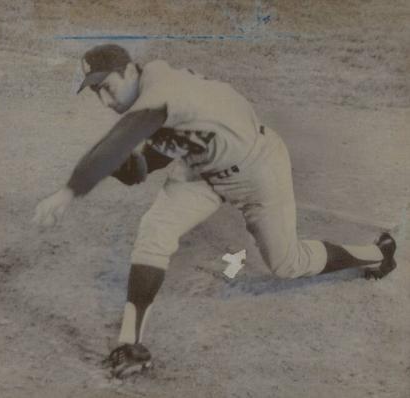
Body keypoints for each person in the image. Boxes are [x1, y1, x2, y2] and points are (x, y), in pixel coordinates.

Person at [33, 44, 397, 378]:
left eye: (106, 87)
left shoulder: (163, 89)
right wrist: (132, 166)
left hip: (258, 170)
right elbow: (162, 152)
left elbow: (123, 136)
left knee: (288, 263)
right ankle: (129, 345)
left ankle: (378, 254)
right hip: (202, 171)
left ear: (130, 71)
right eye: (95, 91)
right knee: (154, 231)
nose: (104, 100)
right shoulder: (151, 98)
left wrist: (69, 191)